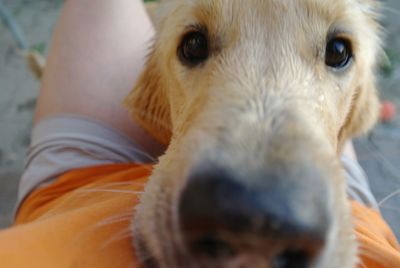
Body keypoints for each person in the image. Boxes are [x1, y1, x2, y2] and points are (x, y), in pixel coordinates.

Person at [0, 1, 399, 267]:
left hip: (84, 192)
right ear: (157, 96)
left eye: (335, 53)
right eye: (195, 47)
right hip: (363, 225)